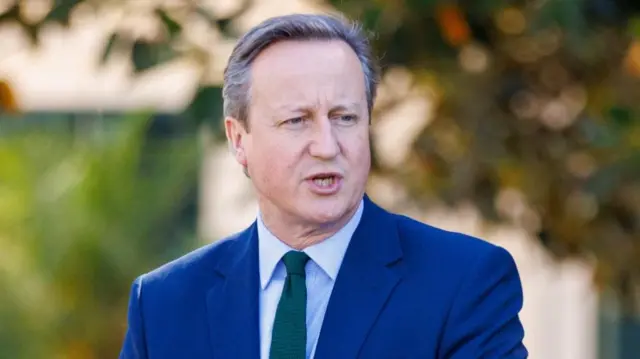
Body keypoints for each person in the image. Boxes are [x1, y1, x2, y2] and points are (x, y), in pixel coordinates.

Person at [119, 13, 528, 359]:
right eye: (297, 120)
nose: (327, 146)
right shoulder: (162, 305)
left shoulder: (465, 283)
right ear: (238, 139)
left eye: (345, 117)